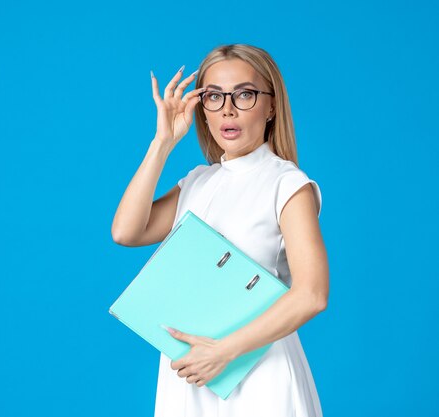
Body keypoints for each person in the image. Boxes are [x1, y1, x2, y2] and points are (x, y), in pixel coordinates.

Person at [111, 43, 329, 417]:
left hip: (257, 371)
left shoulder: (287, 184)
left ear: (271, 105)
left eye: (244, 94)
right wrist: (162, 143)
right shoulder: (198, 181)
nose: (228, 108)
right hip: (193, 374)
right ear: (203, 109)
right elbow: (126, 232)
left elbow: (312, 294)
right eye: (213, 96)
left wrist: (224, 351)